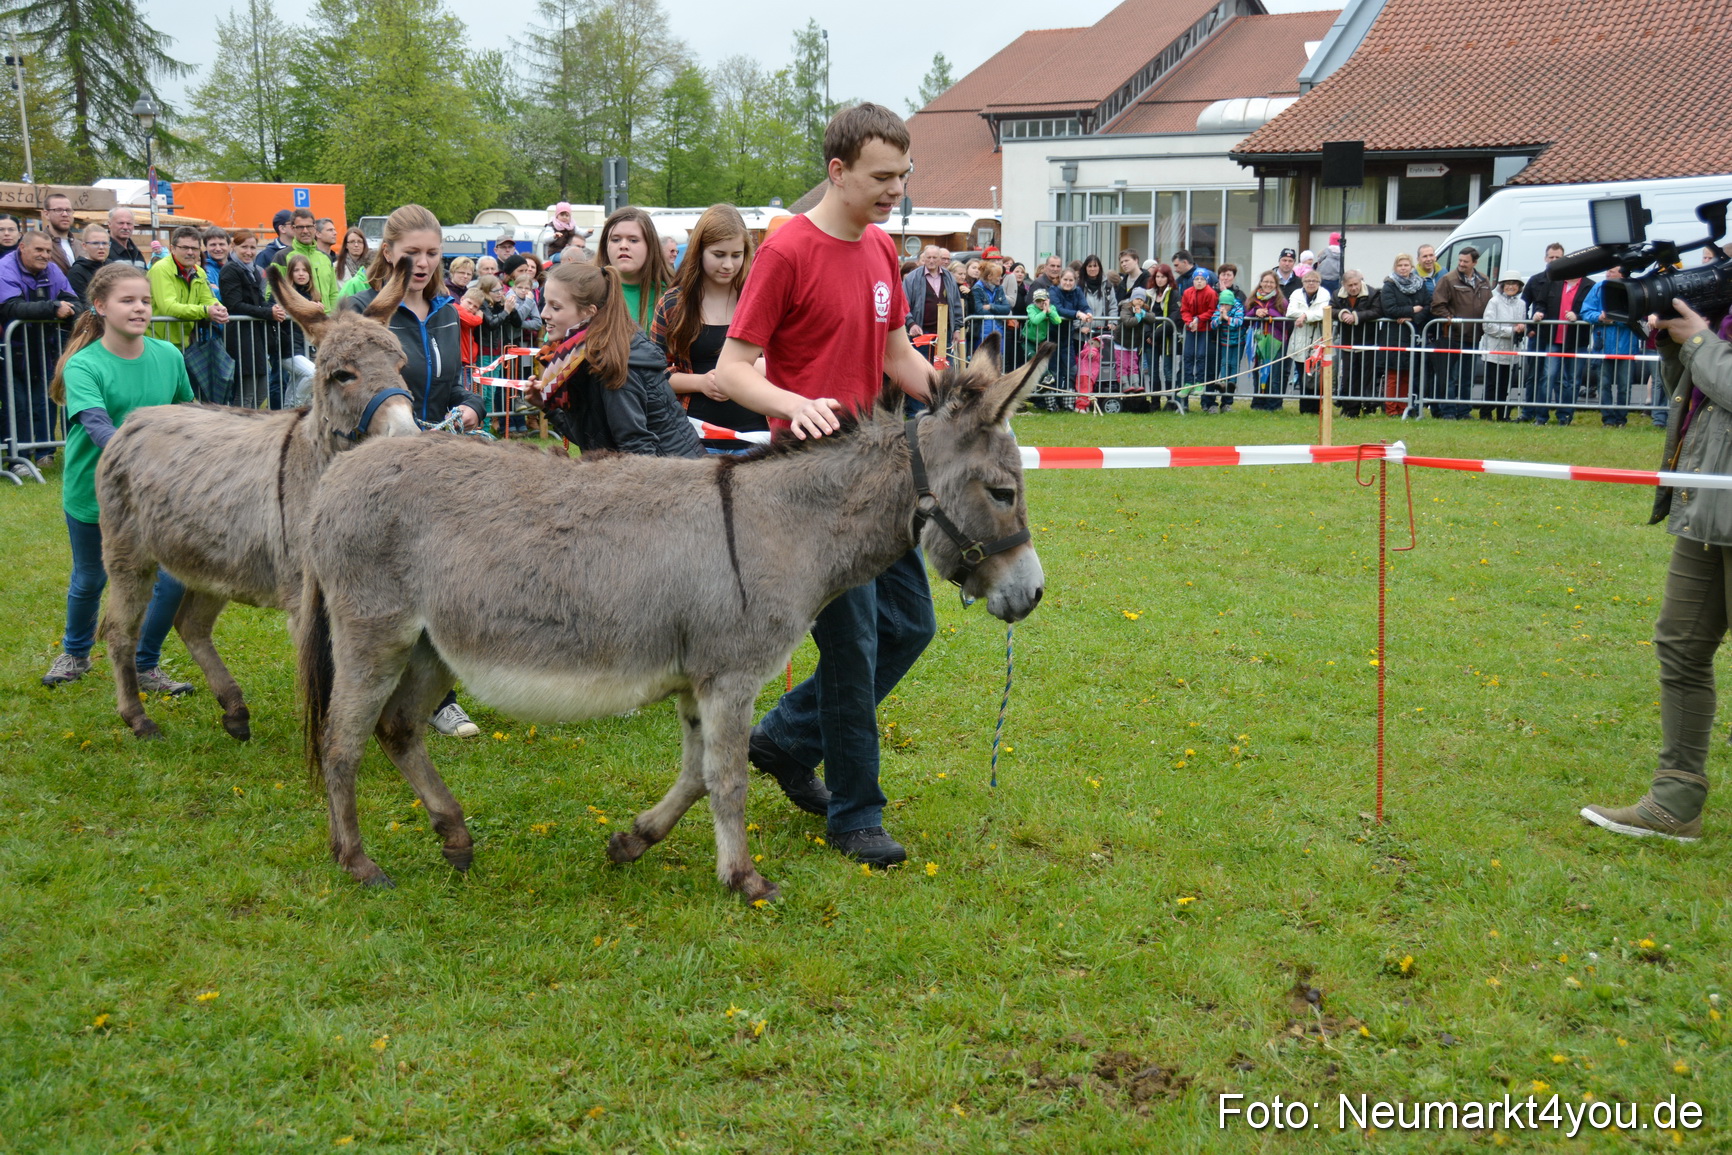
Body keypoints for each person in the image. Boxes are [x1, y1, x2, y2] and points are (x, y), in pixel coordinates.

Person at [712, 101, 939, 866]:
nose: (895, 191)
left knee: (912, 624)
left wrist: (955, 398)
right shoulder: (785, 253)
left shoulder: (880, 250)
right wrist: (793, 402)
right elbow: (733, 369)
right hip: (810, 489)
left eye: (903, 176)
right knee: (854, 644)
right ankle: (855, 814)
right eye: (882, 177)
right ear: (837, 170)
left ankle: (781, 739)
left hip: (878, 477)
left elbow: (896, 354)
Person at [1582, 299, 1730, 842]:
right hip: (1710, 507)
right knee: (1681, 646)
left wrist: (1698, 341)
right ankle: (1675, 802)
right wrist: (1676, 344)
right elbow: (1698, 393)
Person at [342, 204, 486, 739]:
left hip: (437, 464)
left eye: (432, 253)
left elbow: (456, 381)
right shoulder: (361, 310)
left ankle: (435, 696)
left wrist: (472, 403)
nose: (423, 264)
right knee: (382, 591)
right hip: (376, 469)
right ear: (387, 252)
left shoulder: (448, 310)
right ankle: (364, 689)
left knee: (439, 581)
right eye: (412, 254)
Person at [38, 262, 193, 695]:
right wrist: (149, 457)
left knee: (173, 578)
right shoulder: (84, 366)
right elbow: (97, 427)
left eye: (145, 300)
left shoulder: (169, 356)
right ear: (101, 307)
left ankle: (145, 663)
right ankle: (75, 652)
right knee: (92, 576)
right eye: (128, 301)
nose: (140, 308)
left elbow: (190, 413)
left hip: (158, 493)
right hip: (95, 490)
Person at [526, 260, 701, 458]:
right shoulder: (581, 356)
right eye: (545, 304)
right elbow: (593, 440)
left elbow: (636, 450)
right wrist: (545, 405)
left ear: (589, 312)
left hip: (674, 479)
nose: (543, 314)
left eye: (555, 307)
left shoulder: (616, 363)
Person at [649, 205, 765, 453]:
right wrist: (701, 382)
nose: (728, 265)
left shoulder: (759, 301)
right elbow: (654, 376)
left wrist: (737, 371)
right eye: (718, 254)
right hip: (693, 439)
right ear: (698, 251)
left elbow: (784, 363)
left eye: (736, 255)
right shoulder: (672, 304)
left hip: (757, 438)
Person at [0, 231, 82, 466]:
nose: (45, 255)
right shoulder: (4, 268)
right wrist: (53, 308)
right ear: (22, 248)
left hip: (43, 347)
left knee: (44, 402)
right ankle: (18, 459)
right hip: (9, 350)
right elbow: (10, 308)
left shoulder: (53, 270)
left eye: (47, 251)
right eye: (39, 250)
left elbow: (74, 302)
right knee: (18, 406)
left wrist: (66, 310)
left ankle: (45, 454)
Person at [219, 229, 283, 408]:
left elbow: (260, 301)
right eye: (244, 247)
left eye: (252, 247)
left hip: (255, 337)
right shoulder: (230, 270)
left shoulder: (254, 270)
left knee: (261, 390)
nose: (249, 252)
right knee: (246, 392)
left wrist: (274, 308)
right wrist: (267, 313)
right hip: (241, 337)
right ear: (233, 247)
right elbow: (234, 305)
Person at [1429, 246, 1493, 420]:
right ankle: (1448, 411)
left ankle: (1464, 411)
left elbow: (1490, 304)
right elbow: (1437, 304)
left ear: (1475, 262)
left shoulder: (1484, 280)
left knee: (1467, 377)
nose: (1462, 264)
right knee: (1449, 377)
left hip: (1474, 337)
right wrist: (1450, 318)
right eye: (1460, 260)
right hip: (1452, 336)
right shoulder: (1448, 279)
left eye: (1466, 261)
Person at [1527, 265, 1595, 425]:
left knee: (1573, 380)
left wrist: (1577, 316)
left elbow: (1593, 310)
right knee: (1548, 376)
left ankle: (1565, 416)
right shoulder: (1553, 282)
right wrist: (1539, 313)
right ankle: (1541, 416)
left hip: (1577, 341)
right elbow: (1540, 303)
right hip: (1553, 339)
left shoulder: (1589, 286)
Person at [147, 227, 228, 351]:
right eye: (185, 247)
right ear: (172, 248)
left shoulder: (199, 271)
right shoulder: (160, 269)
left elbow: (207, 299)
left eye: (195, 248)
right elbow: (168, 306)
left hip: (186, 343)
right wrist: (206, 311)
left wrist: (218, 308)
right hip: (158, 343)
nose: (190, 252)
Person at [1582, 267, 1644, 427]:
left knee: (1625, 386)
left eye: (1612, 271)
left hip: (1626, 346)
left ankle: (1621, 419)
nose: (1607, 274)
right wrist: (1599, 317)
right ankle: (1608, 419)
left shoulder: (1632, 288)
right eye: (1607, 271)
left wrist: (1613, 319)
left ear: (1622, 274)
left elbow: (1637, 315)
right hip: (1602, 345)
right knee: (1603, 385)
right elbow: (1586, 312)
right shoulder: (1598, 288)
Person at [592, 206, 670, 331]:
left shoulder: (670, 296)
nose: (623, 246)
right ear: (605, 246)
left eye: (633, 240)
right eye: (616, 239)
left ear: (650, 246)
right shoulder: (587, 291)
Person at [1380, 253, 1429, 418]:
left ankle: (1403, 407)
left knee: (1407, 374)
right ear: (1395, 267)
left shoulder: (1420, 284)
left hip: (1413, 333)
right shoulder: (1389, 285)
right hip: (1393, 335)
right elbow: (1390, 309)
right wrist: (1413, 310)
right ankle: (1391, 409)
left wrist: (1412, 317)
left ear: (1412, 267)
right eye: (1400, 265)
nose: (1403, 268)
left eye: (1406, 265)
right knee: (1393, 373)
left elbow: (1428, 306)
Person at [1478, 271, 1528, 422]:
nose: (1511, 287)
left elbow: (1522, 323)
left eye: (1514, 284)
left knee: (1505, 385)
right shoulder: (1494, 302)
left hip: (1511, 350)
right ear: (1502, 286)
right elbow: (1488, 326)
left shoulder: (1522, 304)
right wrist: (1510, 330)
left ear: (1519, 286)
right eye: (1508, 284)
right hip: (1494, 349)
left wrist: (1522, 329)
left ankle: (1502, 415)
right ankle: (1486, 414)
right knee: (1492, 384)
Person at [1333, 269, 1382, 417]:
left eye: (1356, 284)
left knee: (1367, 378)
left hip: (1368, 342)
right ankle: (1351, 410)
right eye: (1350, 285)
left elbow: (1378, 311)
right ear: (1344, 285)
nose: (1354, 288)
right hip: (1347, 343)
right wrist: (1342, 314)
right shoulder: (1336, 295)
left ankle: (1369, 408)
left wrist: (1356, 316)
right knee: (1348, 378)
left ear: (1361, 281)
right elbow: (1330, 310)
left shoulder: (1373, 293)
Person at [903, 244, 963, 359]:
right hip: (921, 333)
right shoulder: (912, 278)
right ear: (923, 258)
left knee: (944, 371)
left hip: (945, 333)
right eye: (928, 257)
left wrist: (956, 329)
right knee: (923, 371)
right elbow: (903, 304)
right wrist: (911, 323)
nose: (931, 261)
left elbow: (956, 304)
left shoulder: (949, 277)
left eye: (934, 258)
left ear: (940, 259)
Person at [271, 208, 338, 311]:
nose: (305, 231)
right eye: (300, 227)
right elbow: (272, 293)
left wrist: (334, 317)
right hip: (297, 322)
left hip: (325, 321)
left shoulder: (326, 257)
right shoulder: (282, 257)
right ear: (293, 229)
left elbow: (333, 293)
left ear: (315, 228)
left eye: (309, 226)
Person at [1286, 269, 1330, 415]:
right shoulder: (1296, 294)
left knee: (1317, 374)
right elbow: (1290, 311)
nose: (1311, 283)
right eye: (1307, 281)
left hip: (1318, 338)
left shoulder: (1324, 294)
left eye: (1314, 281)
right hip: (1300, 340)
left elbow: (1324, 312)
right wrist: (1307, 316)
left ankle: (1316, 409)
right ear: (1303, 283)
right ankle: (1304, 409)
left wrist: (1305, 315)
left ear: (1319, 282)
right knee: (1302, 373)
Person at [1244, 269, 1288, 412]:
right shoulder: (1253, 299)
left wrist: (1270, 313)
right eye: (1265, 281)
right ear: (1261, 283)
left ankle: (1273, 405)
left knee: (1274, 374)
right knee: (1258, 372)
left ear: (1276, 285)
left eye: (1271, 282)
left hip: (1276, 341)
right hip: (1257, 340)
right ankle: (1258, 403)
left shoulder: (1282, 301)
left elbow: (1286, 323)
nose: (1268, 284)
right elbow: (1245, 317)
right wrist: (1256, 312)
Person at [1178, 267, 1217, 413]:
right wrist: (1189, 322)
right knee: (1188, 355)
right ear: (1193, 280)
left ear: (1206, 281)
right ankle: (1189, 381)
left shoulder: (1211, 293)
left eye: (1202, 279)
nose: (1199, 282)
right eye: (1196, 279)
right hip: (1191, 328)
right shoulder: (1188, 292)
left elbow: (1212, 310)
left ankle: (1199, 382)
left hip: (1204, 329)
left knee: (1201, 355)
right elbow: (1184, 310)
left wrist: (1198, 320)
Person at [1050, 266, 1090, 404]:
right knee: (1054, 371)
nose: (1068, 283)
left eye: (1071, 280)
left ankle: (1066, 400)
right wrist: (1077, 314)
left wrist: (1088, 312)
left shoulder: (1077, 291)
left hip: (1067, 338)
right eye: (1065, 279)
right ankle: (1051, 401)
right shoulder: (1053, 291)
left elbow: (1084, 306)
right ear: (1060, 279)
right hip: (1053, 336)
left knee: (1071, 370)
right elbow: (1058, 309)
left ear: (1075, 281)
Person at [1208, 264, 1245, 412]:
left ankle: (1227, 401)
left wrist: (1226, 318)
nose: (1226, 277)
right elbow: (1213, 320)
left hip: (1236, 341)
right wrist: (1220, 319)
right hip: (1216, 340)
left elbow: (1241, 318)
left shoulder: (1239, 295)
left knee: (1233, 366)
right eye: (1223, 275)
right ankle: (1210, 402)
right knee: (1217, 368)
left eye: (1229, 275)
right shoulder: (1211, 291)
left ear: (1233, 277)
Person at [67, 224, 109, 301]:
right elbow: (82, 303)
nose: (101, 247)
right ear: (84, 246)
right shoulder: (77, 272)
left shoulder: (112, 267)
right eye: (95, 243)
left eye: (105, 243)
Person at [41, 192, 80, 268]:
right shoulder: (38, 245)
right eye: (58, 210)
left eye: (68, 210)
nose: (65, 214)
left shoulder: (81, 246)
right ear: (46, 214)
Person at [201, 226, 231, 304]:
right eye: (213, 245)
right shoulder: (203, 269)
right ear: (206, 247)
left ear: (229, 246)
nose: (218, 248)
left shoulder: (236, 267)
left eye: (221, 244)